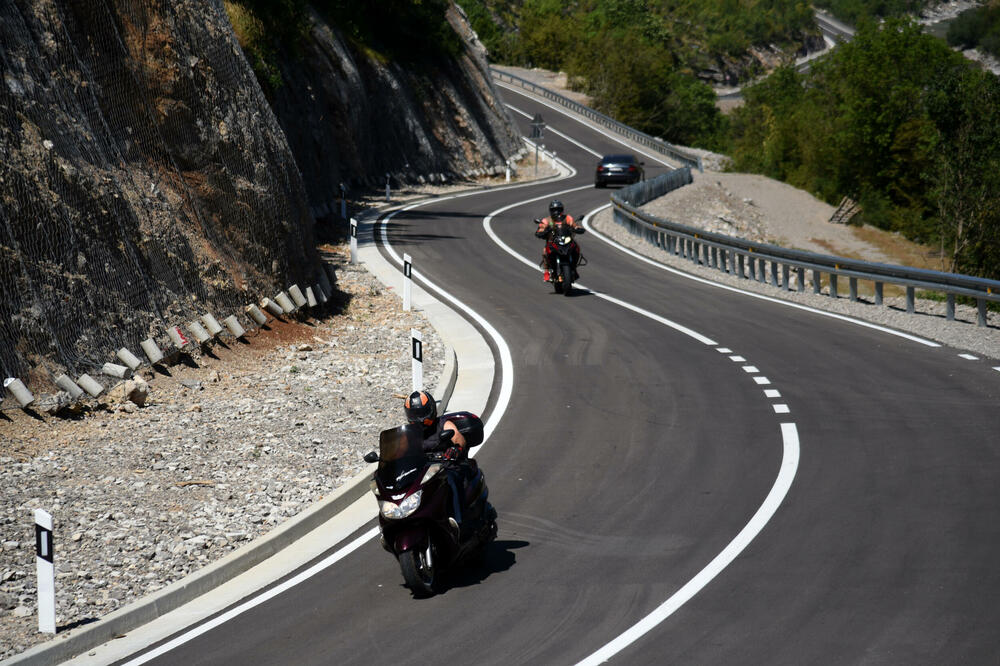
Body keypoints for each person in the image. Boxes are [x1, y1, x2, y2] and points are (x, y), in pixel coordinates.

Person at [403, 389, 470, 531]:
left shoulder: (443, 424)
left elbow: (459, 439)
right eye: (416, 415)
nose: (420, 419)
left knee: (450, 480)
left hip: (447, 466)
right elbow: (401, 450)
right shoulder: (409, 433)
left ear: (431, 409)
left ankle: (458, 521)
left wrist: (455, 449)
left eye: (422, 414)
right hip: (424, 471)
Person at [534, 199, 582, 281]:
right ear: (550, 211)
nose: (556, 212)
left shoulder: (567, 218)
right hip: (552, 242)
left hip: (566, 240)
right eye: (554, 210)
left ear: (562, 210)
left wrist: (578, 228)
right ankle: (546, 272)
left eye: (558, 209)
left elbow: (574, 225)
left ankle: (573, 268)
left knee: (576, 248)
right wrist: (541, 232)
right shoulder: (546, 220)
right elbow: (541, 228)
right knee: (545, 251)